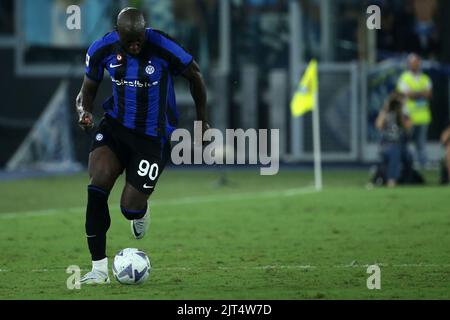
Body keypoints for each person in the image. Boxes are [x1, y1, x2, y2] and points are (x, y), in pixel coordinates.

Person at [75, 7, 209, 284]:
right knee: (96, 188)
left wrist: (202, 121)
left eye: (139, 40)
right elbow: (87, 88)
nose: (135, 45)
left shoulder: (162, 45)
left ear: (144, 32)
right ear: (119, 35)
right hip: (114, 129)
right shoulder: (103, 49)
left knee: (129, 208)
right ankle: (99, 270)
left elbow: (195, 74)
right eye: (129, 41)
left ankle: (141, 211)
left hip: (151, 139)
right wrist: (85, 113)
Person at [396, 53, 432, 169]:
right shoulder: (404, 78)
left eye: (417, 62)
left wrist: (414, 93)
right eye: (412, 63)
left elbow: (429, 94)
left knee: (421, 143)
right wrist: (421, 93)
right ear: (409, 64)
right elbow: (406, 94)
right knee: (406, 142)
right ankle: (408, 164)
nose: (415, 65)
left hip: (423, 116)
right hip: (408, 116)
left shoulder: (425, 78)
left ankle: (423, 164)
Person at [375, 92, 413, 187]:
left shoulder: (404, 113)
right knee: (394, 151)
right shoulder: (385, 113)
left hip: (402, 146)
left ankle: (399, 179)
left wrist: (401, 111)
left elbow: (408, 127)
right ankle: (391, 180)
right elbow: (378, 125)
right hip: (387, 146)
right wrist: (386, 109)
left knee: (399, 151)